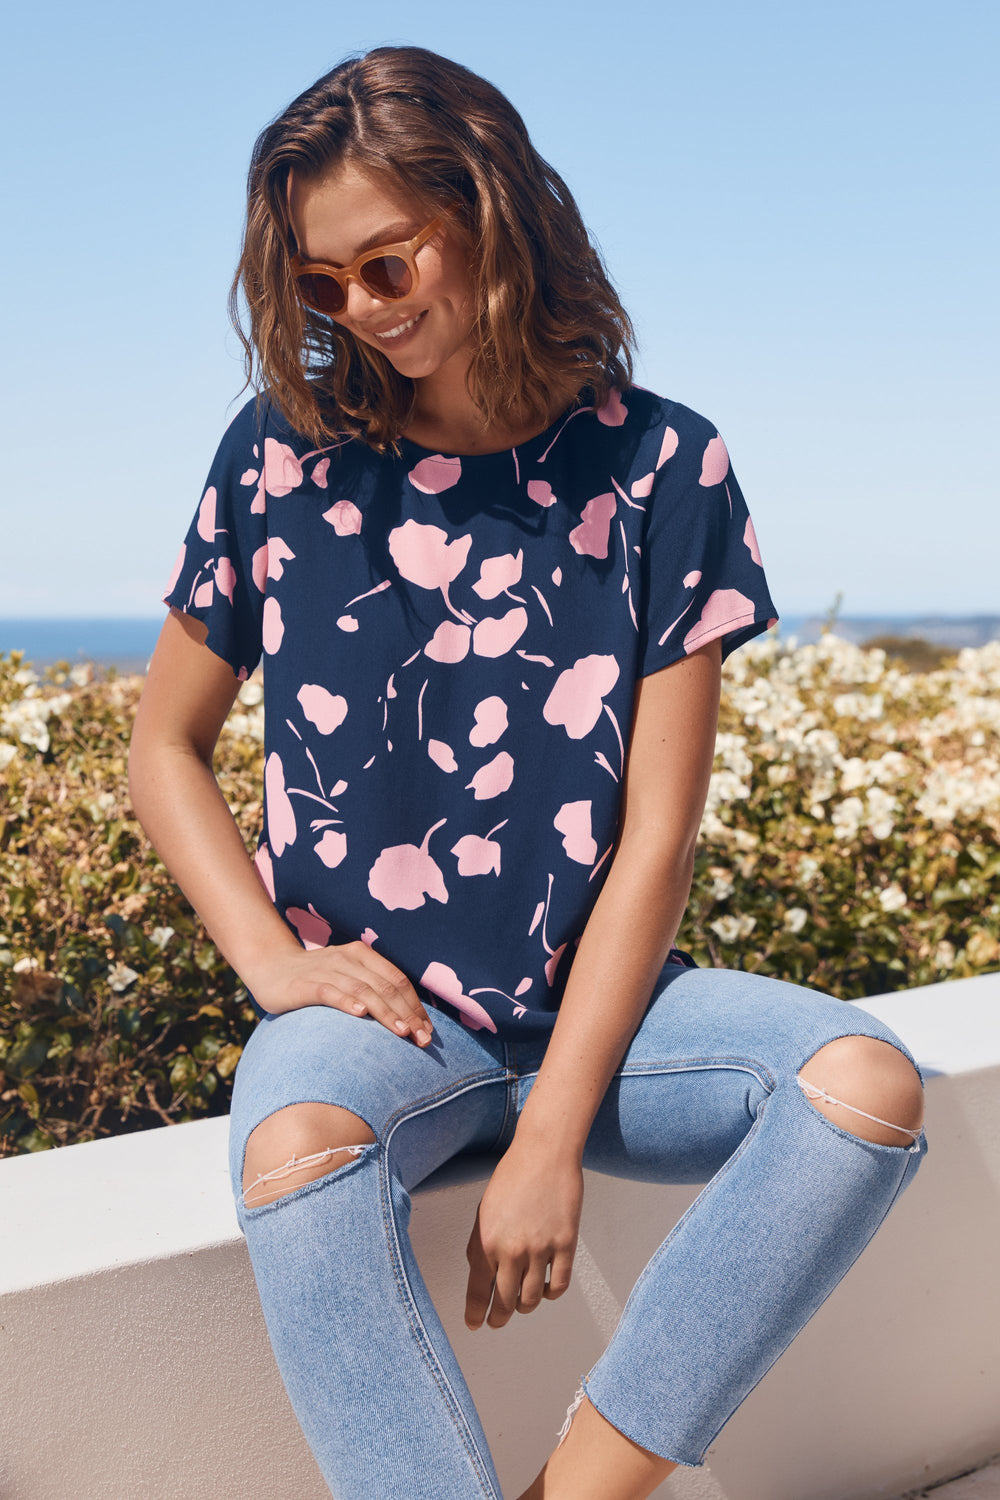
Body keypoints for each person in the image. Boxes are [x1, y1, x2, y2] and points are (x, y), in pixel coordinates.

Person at [128, 45, 926, 1500]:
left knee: (863, 1089)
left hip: (602, 1022)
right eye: (320, 284)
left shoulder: (665, 466)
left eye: (388, 261)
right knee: (296, 1151)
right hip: (377, 1022)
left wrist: (552, 1128)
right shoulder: (283, 456)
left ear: (488, 208)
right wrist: (272, 961)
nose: (364, 309)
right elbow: (163, 749)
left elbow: (657, 838)